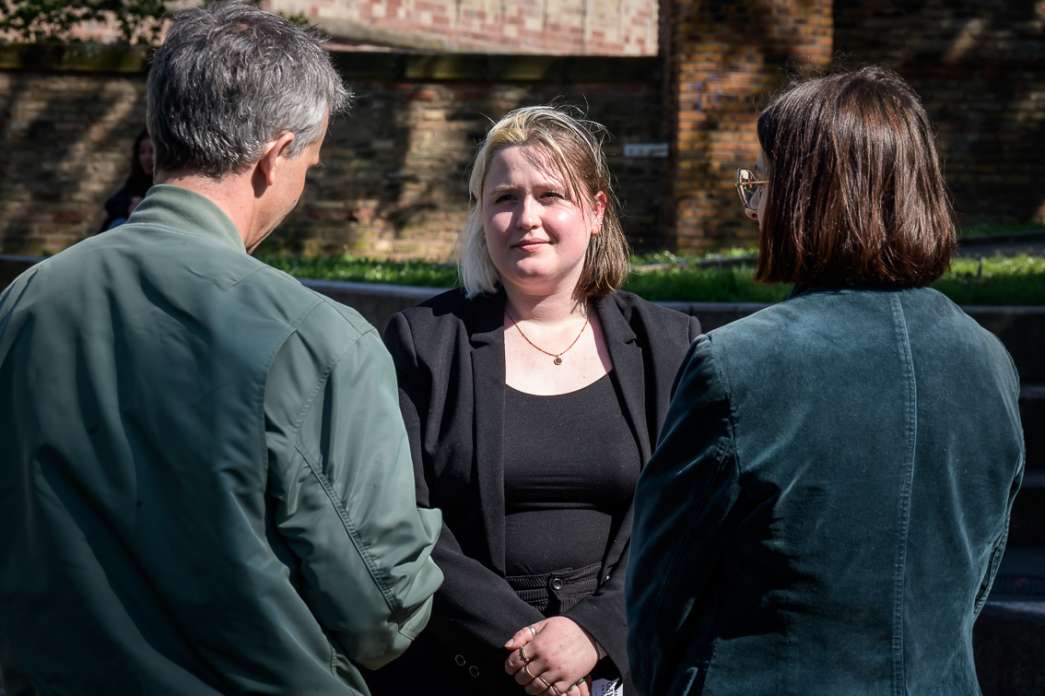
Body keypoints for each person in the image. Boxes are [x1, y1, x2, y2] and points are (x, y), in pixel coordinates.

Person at [0, 3, 442, 694]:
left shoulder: (25, 301)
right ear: (274, 156)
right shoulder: (316, 338)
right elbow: (381, 613)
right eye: (310, 163)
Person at [626, 66, 1025, 696]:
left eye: (760, 185)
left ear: (807, 198)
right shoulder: (989, 361)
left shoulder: (736, 364)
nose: (753, 209)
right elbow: (976, 574)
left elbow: (659, 593)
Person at [368, 105, 700, 696]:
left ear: (596, 212)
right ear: (480, 215)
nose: (527, 218)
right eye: (504, 199)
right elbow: (401, 524)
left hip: (624, 664)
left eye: (551, 195)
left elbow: (690, 517)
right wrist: (530, 653)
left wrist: (594, 635)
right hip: (466, 662)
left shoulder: (668, 345)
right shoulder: (424, 343)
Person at [98, 128, 154, 232]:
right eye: (142, 152)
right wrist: (129, 206)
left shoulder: (164, 182)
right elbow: (111, 204)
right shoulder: (136, 181)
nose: (147, 157)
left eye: (152, 152)